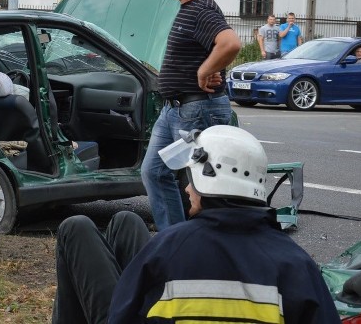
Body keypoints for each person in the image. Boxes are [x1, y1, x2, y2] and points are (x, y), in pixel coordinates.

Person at [52, 125, 341, 324]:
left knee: (75, 227)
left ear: (208, 180)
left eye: (189, 180)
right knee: (126, 221)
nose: (187, 190)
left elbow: (121, 316)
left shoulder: (167, 249)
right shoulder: (296, 264)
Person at [141, 0, 241, 231]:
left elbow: (231, 43)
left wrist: (204, 70)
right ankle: (175, 239)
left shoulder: (201, 9)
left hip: (197, 111)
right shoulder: (189, 8)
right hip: (176, 110)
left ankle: (212, 246)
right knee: (154, 172)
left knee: (205, 187)